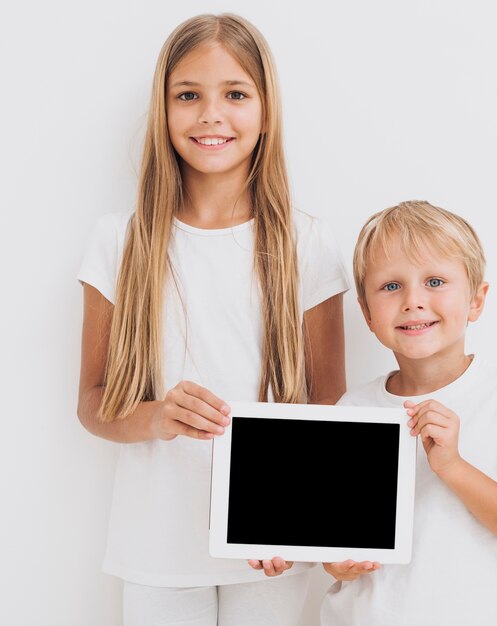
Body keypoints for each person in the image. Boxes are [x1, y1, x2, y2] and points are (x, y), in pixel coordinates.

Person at [77, 13, 349, 626]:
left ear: (264, 106)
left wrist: (300, 522)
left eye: (235, 94)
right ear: (164, 107)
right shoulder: (119, 242)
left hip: (270, 546)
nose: (210, 115)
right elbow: (91, 402)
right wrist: (156, 416)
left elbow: (327, 409)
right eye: (188, 96)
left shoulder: (308, 243)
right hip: (157, 546)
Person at [320, 200, 497, 626]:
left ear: (476, 300)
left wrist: (454, 467)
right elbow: (336, 540)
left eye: (435, 281)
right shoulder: (353, 409)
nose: (413, 301)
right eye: (390, 287)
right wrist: (335, 564)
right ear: (367, 314)